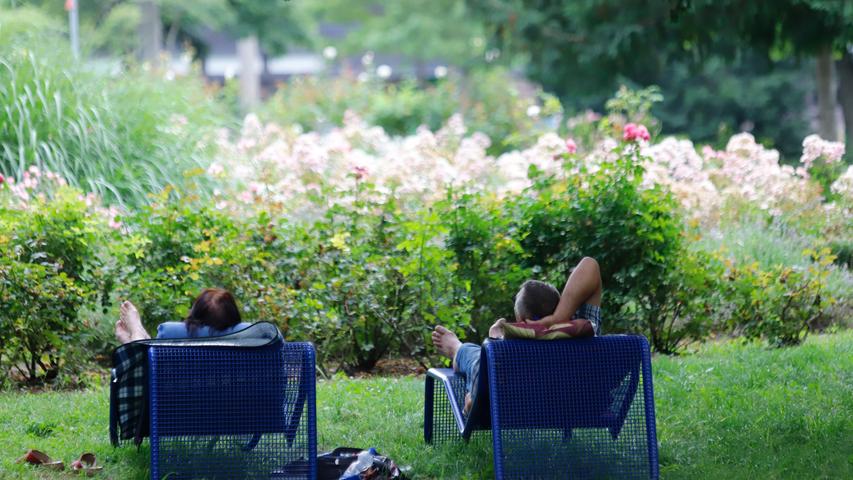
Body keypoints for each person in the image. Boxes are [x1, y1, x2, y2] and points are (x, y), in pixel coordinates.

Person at [432, 257, 603, 414]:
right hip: (582, 406)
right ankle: (487, 343)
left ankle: (458, 348)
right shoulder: (585, 332)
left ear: (521, 321)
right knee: (490, 354)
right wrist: (558, 318)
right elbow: (590, 264)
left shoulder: (507, 353)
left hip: (517, 407)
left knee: (478, 355)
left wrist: (495, 341)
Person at [115, 288, 251, 343]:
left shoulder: (170, 334)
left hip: (174, 402)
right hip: (235, 402)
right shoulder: (253, 340)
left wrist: (135, 332)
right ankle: (143, 339)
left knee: (146, 360)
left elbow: (148, 372)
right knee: (153, 354)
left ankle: (136, 336)